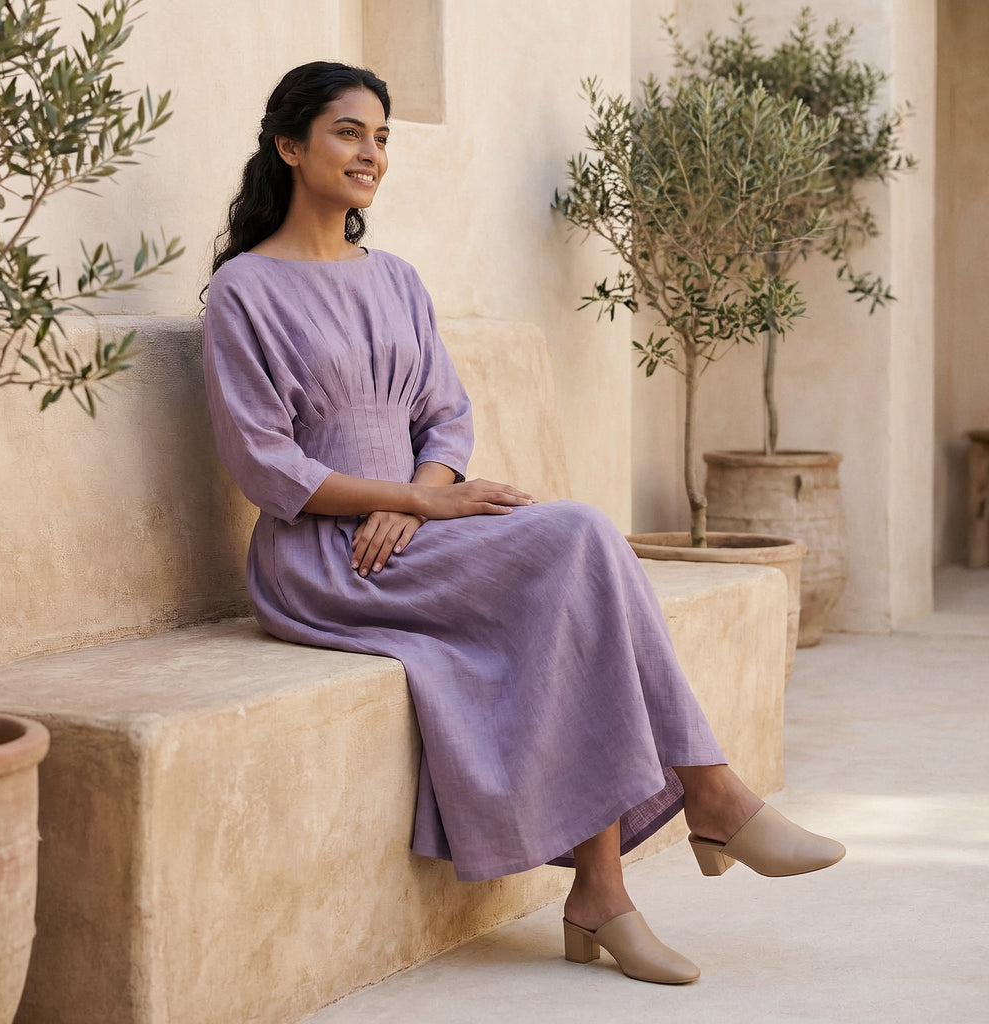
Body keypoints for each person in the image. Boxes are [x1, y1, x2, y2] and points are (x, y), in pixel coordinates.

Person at [201, 60, 844, 986]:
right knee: (578, 538)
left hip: (413, 533)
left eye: (383, 135)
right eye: (350, 132)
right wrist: (413, 498)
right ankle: (708, 798)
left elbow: (445, 417)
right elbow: (266, 465)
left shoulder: (397, 280)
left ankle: (606, 888)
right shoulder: (244, 293)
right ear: (290, 145)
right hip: (325, 557)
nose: (372, 152)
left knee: (575, 566)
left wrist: (420, 487)